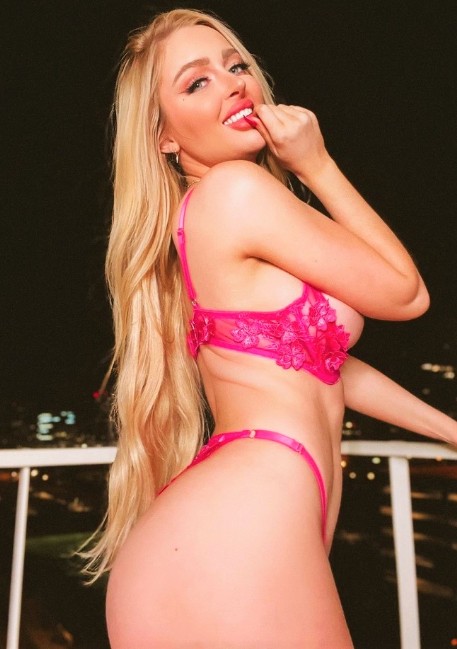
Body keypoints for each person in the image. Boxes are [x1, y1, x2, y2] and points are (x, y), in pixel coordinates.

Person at [83, 8, 457, 648]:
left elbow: (318, 361)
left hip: (220, 529)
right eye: (197, 82)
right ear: (164, 137)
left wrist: (448, 430)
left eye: (236, 66)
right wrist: (316, 163)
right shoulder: (235, 191)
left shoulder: (203, 216)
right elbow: (407, 294)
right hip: (241, 524)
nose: (234, 84)